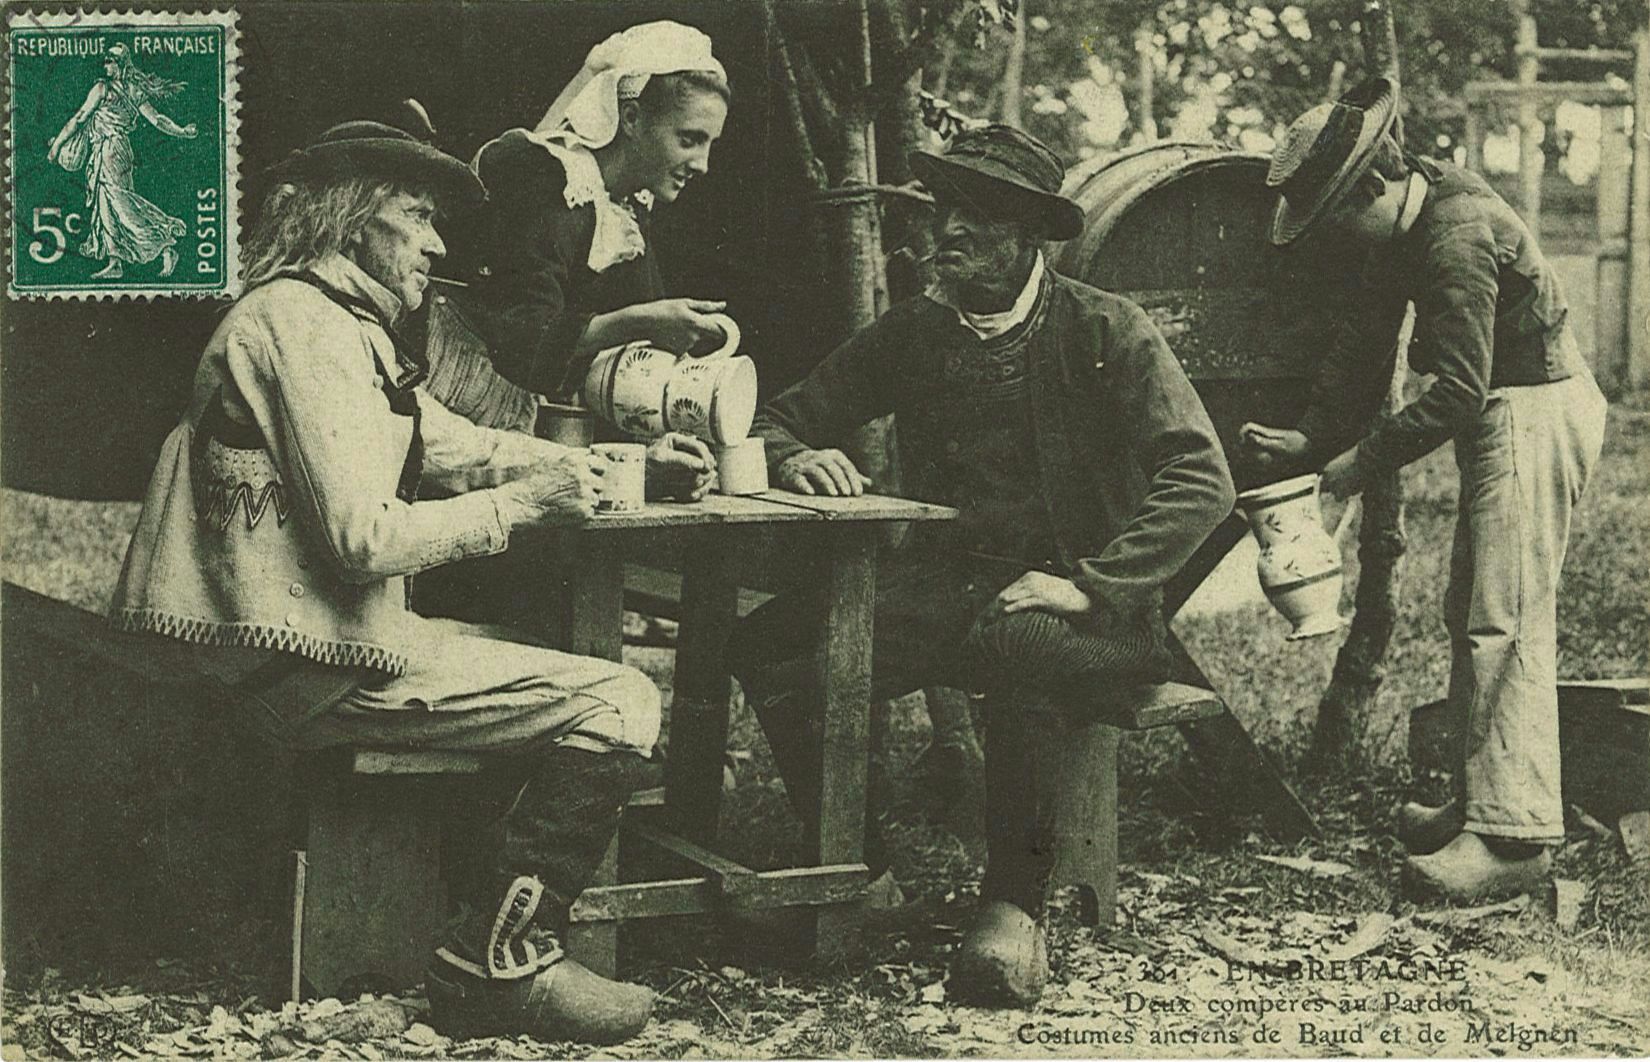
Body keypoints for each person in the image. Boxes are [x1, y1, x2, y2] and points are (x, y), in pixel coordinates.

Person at [107, 117, 712, 1044]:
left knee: (544, 667)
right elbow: (362, 542)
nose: (438, 244)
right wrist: (529, 505)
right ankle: (498, 965)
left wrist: (613, 463)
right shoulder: (300, 331)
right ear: (352, 225)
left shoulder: (332, 322)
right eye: (417, 218)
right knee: (620, 699)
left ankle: (473, 920)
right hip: (300, 665)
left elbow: (453, 443)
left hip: (301, 646)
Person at [728, 124, 1235, 1006]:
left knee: (1018, 645)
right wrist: (792, 454)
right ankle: (863, 873)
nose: (949, 234)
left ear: (1030, 235)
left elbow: (1201, 478)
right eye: (946, 212)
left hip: (1095, 616)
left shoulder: (1107, 330)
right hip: (945, 592)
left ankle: (1013, 907)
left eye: (980, 218)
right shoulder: (917, 331)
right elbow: (784, 415)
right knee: (770, 645)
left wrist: (1091, 582)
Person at [1243, 78, 1608, 902]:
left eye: (1339, 215)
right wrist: (1313, 435)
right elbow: (1367, 335)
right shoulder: (1409, 215)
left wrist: (1355, 467)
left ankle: (1514, 841)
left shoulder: (1455, 234)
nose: (1337, 235)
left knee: (1505, 619)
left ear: (1373, 185)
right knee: (1471, 612)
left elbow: (1456, 391)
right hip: (1503, 410)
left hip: (1533, 410)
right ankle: (1484, 802)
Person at [458, 20, 734, 399]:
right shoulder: (549, 180)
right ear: (633, 118)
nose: (702, 164)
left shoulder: (626, 207)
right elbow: (521, 340)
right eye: (689, 140)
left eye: (708, 144)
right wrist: (638, 323)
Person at [47, 41, 195, 280]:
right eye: (105, 59)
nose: (105, 64)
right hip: (118, 150)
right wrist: (182, 131)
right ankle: (116, 261)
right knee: (112, 205)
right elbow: (157, 119)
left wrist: (56, 146)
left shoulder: (102, 89)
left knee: (118, 203)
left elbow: (79, 118)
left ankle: (165, 244)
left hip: (110, 150)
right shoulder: (132, 90)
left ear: (121, 64)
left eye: (110, 60)